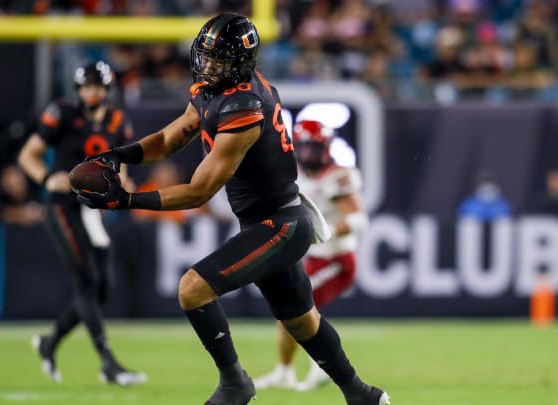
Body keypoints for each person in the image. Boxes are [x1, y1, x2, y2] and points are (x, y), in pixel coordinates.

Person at [75, 13, 390, 405]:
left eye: (218, 61)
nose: (207, 67)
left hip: (280, 225)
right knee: (301, 321)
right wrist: (116, 155)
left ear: (240, 63)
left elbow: (200, 191)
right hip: (269, 221)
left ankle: (235, 382)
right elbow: (169, 139)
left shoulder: (244, 106)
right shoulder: (214, 91)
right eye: (205, 57)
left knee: (192, 289)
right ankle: (362, 395)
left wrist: (125, 201)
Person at [17, 61, 145, 386]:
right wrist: (47, 178)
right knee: (86, 280)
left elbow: (123, 170)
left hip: (93, 210)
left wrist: (118, 190)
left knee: (102, 288)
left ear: (107, 89)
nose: (92, 92)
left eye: (97, 86)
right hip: (63, 206)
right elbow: (28, 155)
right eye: (87, 86)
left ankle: (50, 342)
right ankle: (108, 363)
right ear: (78, 90)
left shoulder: (117, 120)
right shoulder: (63, 113)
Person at [254, 119, 369, 392]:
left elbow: (357, 219)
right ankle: (286, 370)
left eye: (313, 147)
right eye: (304, 147)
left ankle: (321, 365)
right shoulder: (296, 174)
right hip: (315, 258)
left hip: (337, 259)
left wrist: (320, 232)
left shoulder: (338, 175)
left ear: (327, 147)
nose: (308, 154)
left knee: (298, 308)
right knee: (290, 311)